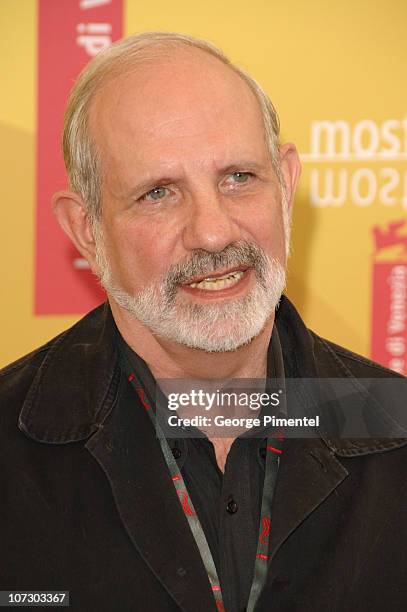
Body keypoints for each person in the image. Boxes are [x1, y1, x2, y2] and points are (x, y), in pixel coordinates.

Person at [1, 32, 406, 612]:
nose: (213, 232)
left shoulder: (396, 429)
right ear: (86, 231)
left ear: (286, 186)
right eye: (158, 193)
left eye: (239, 177)